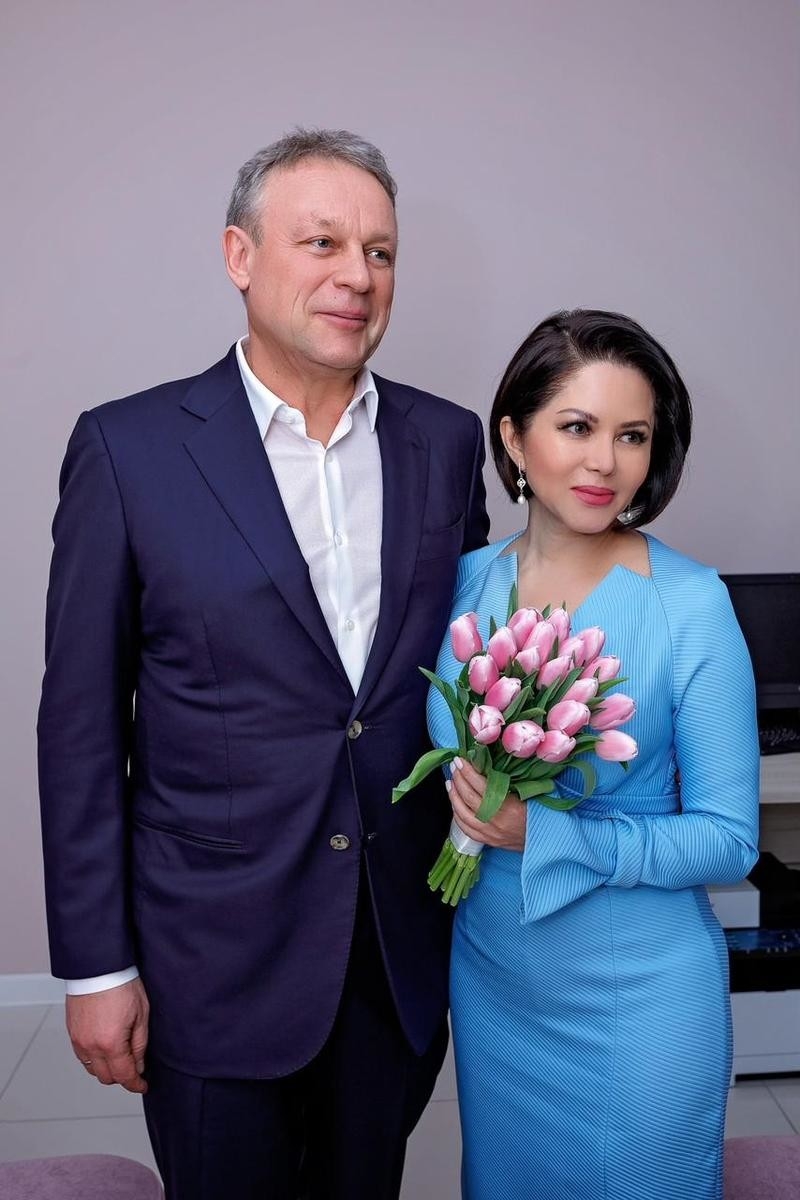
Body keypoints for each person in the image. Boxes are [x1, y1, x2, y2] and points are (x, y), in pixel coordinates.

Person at [37, 128, 489, 1200]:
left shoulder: (446, 442)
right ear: (240, 256)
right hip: (211, 956)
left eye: (380, 251)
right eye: (322, 242)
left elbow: (465, 674)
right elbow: (81, 727)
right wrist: (97, 965)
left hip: (392, 949)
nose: (356, 276)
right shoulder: (128, 450)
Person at [427, 309, 760, 1200]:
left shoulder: (690, 604)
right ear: (514, 437)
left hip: (639, 998)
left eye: (632, 436)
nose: (605, 462)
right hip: (493, 983)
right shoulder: (462, 582)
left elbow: (730, 840)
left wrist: (546, 833)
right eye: (577, 427)